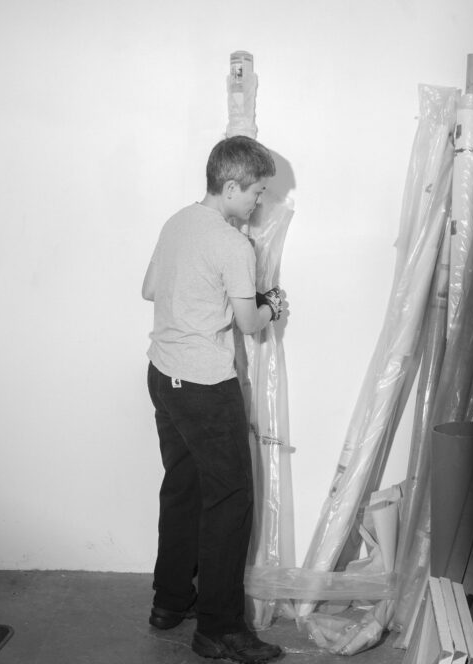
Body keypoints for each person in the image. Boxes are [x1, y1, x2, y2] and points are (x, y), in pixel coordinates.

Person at [142, 136, 284, 663]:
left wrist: (204, 297)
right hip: (204, 386)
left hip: (163, 375)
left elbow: (150, 289)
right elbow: (249, 324)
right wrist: (272, 305)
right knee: (230, 500)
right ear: (229, 186)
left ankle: (170, 601)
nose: (259, 202)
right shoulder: (232, 243)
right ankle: (220, 629)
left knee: (183, 488)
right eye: (256, 192)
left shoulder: (176, 222)